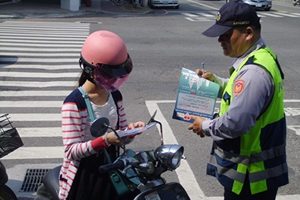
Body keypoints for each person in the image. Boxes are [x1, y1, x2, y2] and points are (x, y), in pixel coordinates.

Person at [188, 1, 288, 200]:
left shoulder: (253, 73)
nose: (220, 40)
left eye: (226, 34)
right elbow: (239, 93)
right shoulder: (259, 57)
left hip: (251, 178)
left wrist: (205, 126)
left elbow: (236, 122)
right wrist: (215, 82)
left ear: (248, 32)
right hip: (250, 174)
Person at [58, 30, 144, 200]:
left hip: (111, 165)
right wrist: (105, 140)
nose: (114, 81)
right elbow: (71, 151)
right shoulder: (74, 103)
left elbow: (121, 133)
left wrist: (130, 131)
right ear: (91, 70)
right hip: (85, 175)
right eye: (109, 75)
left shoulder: (115, 95)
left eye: (118, 76)